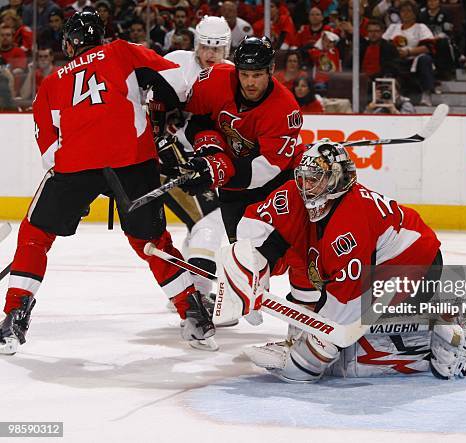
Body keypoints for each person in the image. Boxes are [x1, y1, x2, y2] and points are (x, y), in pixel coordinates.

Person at [0, 11, 216, 356]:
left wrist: (78, 187)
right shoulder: (122, 51)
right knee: (151, 242)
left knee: (35, 235)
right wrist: (156, 105)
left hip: (76, 165)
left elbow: (50, 152)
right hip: (133, 161)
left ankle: (14, 317)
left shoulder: (53, 81)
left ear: (71, 43)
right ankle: (195, 315)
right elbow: (176, 82)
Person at [218, 140, 466, 383]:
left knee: (352, 359)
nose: (306, 186)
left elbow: (342, 317)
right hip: (376, 263)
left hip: (413, 265)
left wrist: (301, 362)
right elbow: (256, 227)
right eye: (303, 177)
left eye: (315, 179)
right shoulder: (295, 194)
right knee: (327, 322)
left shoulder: (349, 225)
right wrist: (250, 271)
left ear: (337, 179)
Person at [161, 36, 304, 301]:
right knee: (240, 245)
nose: (250, 82)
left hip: (275, 182)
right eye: (245, 74)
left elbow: (268, 167)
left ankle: (298, 292)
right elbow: (196, 120)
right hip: (233, 184)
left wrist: (220, 170)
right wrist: (209, 152)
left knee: (283, 246)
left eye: (258, 75)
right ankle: (244, 290)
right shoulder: (215, 79)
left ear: (271, 71)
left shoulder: (285, 110)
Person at [150, 15, 233, 303]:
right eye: (206, 47)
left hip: (199, 163)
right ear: (196, 44)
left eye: (217, 48)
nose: (210, 54)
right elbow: (145, 99)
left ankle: (192, 290)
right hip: (166, 161)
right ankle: (197, 295)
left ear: (227, 49)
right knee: (209, 221)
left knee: (203, 223)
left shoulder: (233, 76)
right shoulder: (175, 62)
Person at [382, 0, 436, 106]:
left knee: (425, 59)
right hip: (395, 59)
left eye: (409, 11)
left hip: (413, 60)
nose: (405, 13)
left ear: (415, 14)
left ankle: (426, 95)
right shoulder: (393, 28)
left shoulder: (420, 27)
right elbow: (383, 43)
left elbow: (429, 46)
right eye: (402, 11)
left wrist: (409, 52)